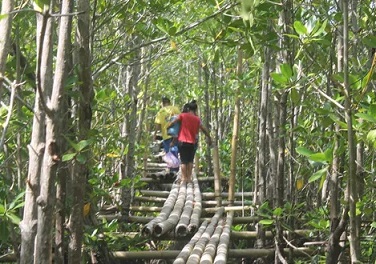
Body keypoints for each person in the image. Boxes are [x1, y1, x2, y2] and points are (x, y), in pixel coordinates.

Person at [167, 100, 212, 183]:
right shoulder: (197, 119)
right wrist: (209, 137)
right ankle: (189, 178)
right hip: (192, 142)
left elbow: (174, 122)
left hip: (182, 141)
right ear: (195, 109)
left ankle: (184, 179)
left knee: (184, 161)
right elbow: (204, 129)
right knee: (190, 160)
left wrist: (168, 126)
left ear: (188, 109)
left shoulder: (182, 116)